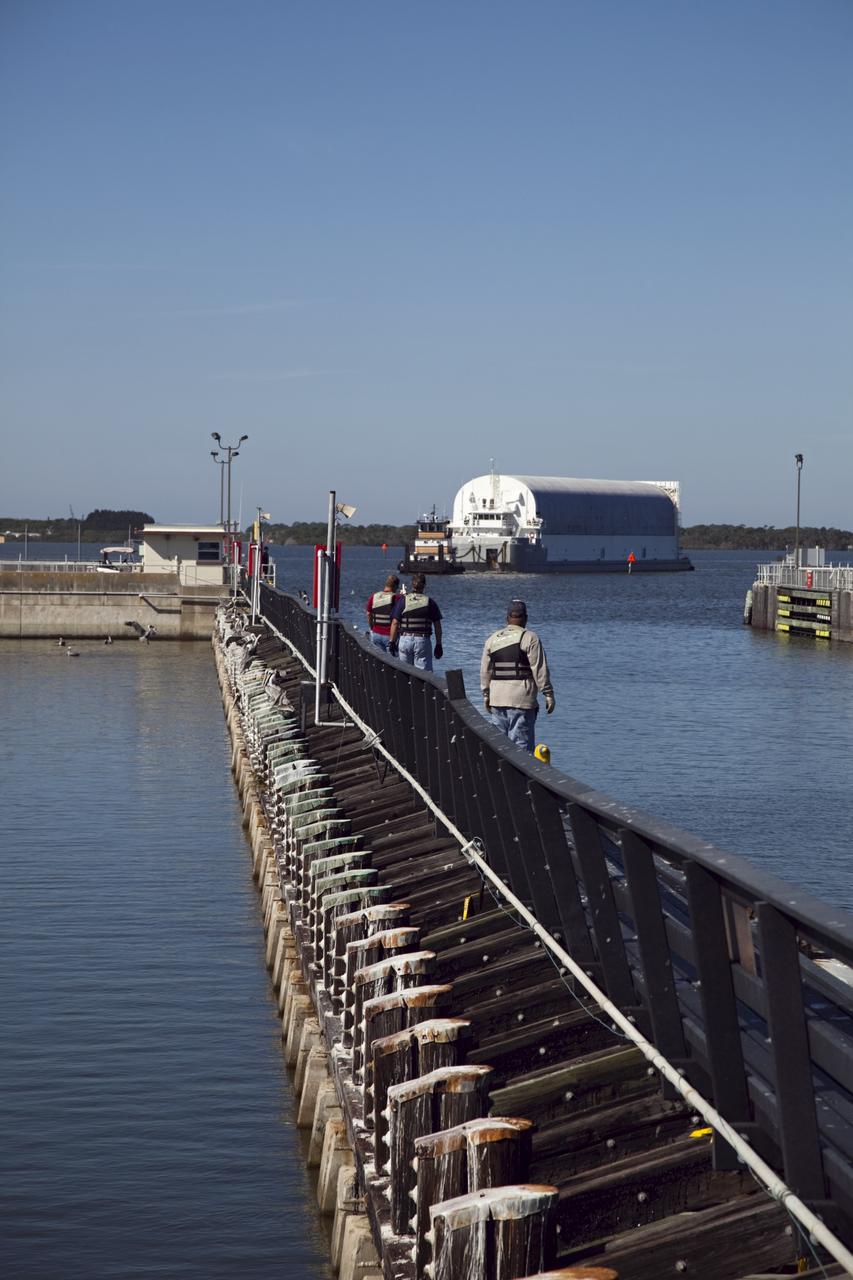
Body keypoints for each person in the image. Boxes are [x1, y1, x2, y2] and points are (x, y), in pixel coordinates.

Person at [480, 599, 555, 753]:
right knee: (521, 750)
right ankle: (518, 777)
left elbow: (485, 670)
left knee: (498, 748)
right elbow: (539, 668)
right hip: (521, 700)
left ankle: (499, 775)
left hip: (497, 699)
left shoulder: (493, 639)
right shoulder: (530, 638)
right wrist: (548, 694)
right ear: (525, 618)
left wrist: (486, 695)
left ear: (507, 618)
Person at [388, 573, 443, 670]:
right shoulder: (430, 602)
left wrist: (392, 642)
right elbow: (437, 625)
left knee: (404, 673)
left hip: (405, 640)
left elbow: (395, 623)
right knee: (424, 676)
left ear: (412, 584)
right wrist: (439, 644)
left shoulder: (403, 601)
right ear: (424, 586)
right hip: (422, 641)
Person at [365, 573, 402, 652]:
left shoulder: (374, 596)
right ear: (395, 586)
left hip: (375, 634)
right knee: (392, 662)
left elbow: (368, 613)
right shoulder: (397, 598)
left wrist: (372, 628)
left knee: (378, 661)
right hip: (389, 636)